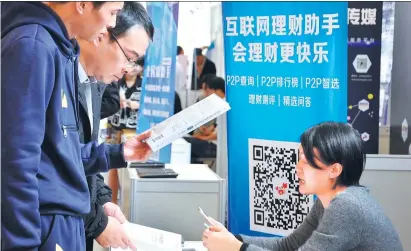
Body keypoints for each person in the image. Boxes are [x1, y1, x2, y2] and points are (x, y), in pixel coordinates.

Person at [1, 2, 151, 250]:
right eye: (112, 12)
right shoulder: (33, 45)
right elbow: (16, 162)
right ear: (82, 4)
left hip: (61, 222)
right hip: (45, 224)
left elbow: (62, 149)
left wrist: (117, 153)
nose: (111, 24)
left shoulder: (58, 51)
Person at [202, 122, 404, 251]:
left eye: (306, 162)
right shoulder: (328, 200)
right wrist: (233, 238)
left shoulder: (347, 206)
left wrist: (237, 248)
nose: (297, 168)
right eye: (299, 159)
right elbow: (289, 245)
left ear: (334, 170)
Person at [76, 2, 153, 250]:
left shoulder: (93, 85)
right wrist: (96, 222)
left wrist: (101, 200)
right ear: (101, 34)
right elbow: (50, 165)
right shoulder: (54, 72)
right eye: (129, 57)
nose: (127, 68)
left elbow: (81, 154)